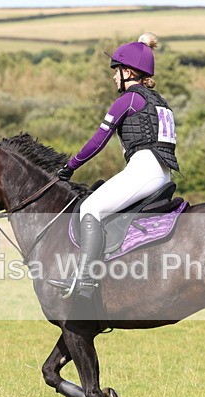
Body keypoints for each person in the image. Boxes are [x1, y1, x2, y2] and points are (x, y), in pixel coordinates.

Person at [48, 32, 180, 300]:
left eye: (116, 71)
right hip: (162, 173)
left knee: (90, 208)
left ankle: (85, 279)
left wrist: (70, 166)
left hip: (144, 170)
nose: (113, 77)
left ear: (128, 72)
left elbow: (98, 141)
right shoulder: (160, 101)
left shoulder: (129, 100)